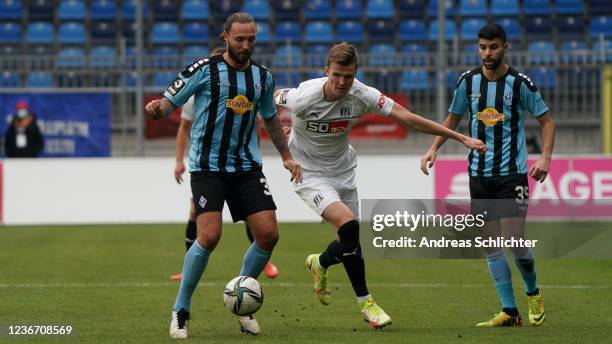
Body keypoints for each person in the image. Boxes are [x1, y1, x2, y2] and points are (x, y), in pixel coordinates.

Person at [274, 42, 486, 329]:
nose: (341, 82)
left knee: (349, 242)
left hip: (344, 172)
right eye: (336, 75)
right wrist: (280, 134)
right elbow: (271, 98)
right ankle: (367, 304)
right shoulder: (303, 97)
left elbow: (410, 119)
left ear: (355, 74)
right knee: (348, 226)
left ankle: (320, 263)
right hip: (309, 174)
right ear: (326, 71)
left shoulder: (363, 95)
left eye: (348, 76)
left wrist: (461, 138)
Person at [145, 12, 301, 339]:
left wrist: (286, 155)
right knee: (210, 236)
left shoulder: (262, 77)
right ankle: (181, 309)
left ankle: (242, 297)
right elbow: (169, 103)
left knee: (268, 234)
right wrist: (157, 108)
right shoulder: (203, 70)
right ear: (225, 37)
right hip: (208, 167)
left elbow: (271, 120)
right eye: (240, 39)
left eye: (252, 39)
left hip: (246, 167)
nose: (246, 45)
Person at [420, 23, 556, 327]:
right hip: (479, 176)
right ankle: (510, 311)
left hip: (512, 175)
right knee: (491, 244)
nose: (487, 53)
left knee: (515, 240)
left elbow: (547, 122)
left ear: (505, 47)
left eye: (493, 47)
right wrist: (434, 148)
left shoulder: (520, 83)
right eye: (483, 47)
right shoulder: (467, 82)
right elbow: (453, 118)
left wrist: (545, 158)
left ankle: (532, 292)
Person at [169, 47, 280, 282]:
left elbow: (261, 122)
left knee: (257, 217)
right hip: (207, 165)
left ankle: (263, 259)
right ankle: (187, 264)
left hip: (241, 164)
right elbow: (183, 128)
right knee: (198, 218)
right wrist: (180, 160)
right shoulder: (197, 90)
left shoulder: (250, 87)